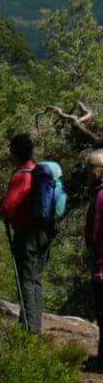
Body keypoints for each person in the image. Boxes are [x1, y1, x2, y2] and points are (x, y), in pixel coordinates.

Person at [0, 133, 51, 333]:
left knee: (26, 281)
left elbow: (8, 207)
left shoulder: (22, 175)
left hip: (27, 235)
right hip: (43, 233)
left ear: (14, 152)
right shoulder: (37, 171)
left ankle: (29, 330)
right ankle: (33, 325)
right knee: (35, 281)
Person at [84, 149, 103, 367]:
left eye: (92, 167)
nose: (89, 172)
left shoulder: (100, 196)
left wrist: (99, 266)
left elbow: (99, 234)